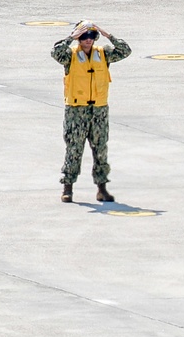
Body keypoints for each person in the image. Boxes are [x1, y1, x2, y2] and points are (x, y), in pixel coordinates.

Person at [51, 21, 132, 203]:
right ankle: (68, 188)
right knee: (74, 149)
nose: (88, 41)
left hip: (99, 110)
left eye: (91, 37)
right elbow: (55, 53)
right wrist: (71, 37)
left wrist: (107, 35)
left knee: (100, 149)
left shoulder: (103, 53)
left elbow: (126, 51)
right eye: (84, 37)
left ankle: (102, 188)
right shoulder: (70, 56)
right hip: (76, 110)